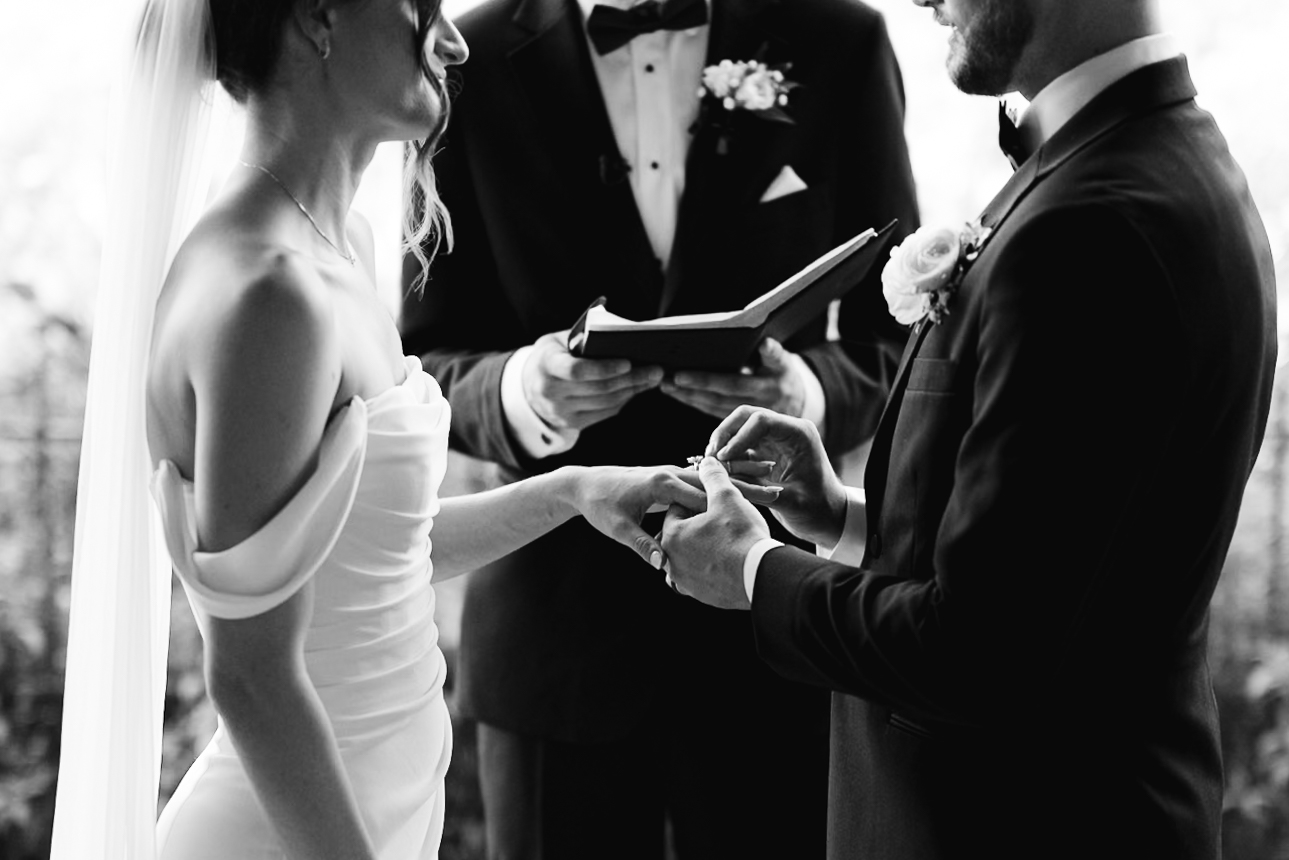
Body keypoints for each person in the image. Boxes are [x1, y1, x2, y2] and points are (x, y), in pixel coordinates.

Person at [50, 1, 776, 858]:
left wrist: (576, 492)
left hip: (369, 819)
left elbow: (376, 557)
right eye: (416, 9)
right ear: (317, 18)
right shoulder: (266, 293)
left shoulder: (338, 247)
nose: (454, 39)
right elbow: (250, 679)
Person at [660, 0, 1278, 857]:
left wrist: (750, 571)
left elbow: (980, 652)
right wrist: (838, 515)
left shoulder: (1093, 224)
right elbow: (1061, 563)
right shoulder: (1146, 154)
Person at [397, 0, 919, 854]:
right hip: (554, 644)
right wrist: (526, 391)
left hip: (773, 635)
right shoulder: (470, 54)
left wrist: (808, 398)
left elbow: (898, 333)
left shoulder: (837, 38)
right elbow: (425, 360)